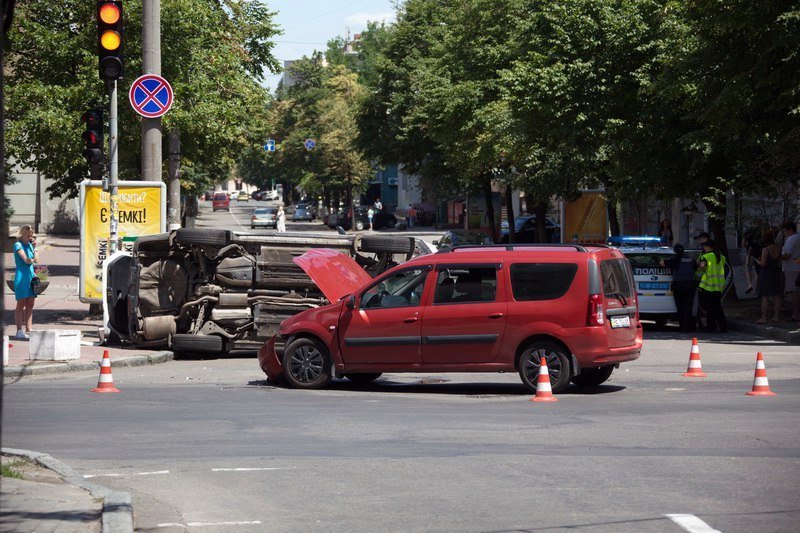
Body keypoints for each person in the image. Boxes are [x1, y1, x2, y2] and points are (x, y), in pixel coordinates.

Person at [661, 244, 697, 332]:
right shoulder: (691, 259)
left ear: (675, 251)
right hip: (690, 285)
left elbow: (662, 263)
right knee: (688, 307)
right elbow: (695, 268)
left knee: (680, 307)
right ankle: (687, 327)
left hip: (678, 285)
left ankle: (682, 326)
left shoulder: (674, 259)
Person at [13, 225, 40, 340]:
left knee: (30, 303)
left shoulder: (30, 245)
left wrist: (35, 248)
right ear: (22, 235)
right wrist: (32, 259)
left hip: (31, 277)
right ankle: (19, 330)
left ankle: (29, 329)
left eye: (30, 236)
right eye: (27, 235)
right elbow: (27, 260)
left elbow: (36, 260)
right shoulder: (18, 245)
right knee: (21, 303)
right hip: (22, 277)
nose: (29, 237)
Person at [697, 239, 727, 332]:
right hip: (718, 286)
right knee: (718, 307)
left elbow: (702, 267)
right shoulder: (721, 257)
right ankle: (723, 327)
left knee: (709, 308)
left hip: (707, 286)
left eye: (705, 247)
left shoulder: (706, 256)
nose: (704, 248)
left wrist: (701, 267)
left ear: (709, 247)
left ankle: (711, 326)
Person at [756, 229, 783, 323]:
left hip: (766, 274)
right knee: (777, 296)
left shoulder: (765, 249)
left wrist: (758, 261)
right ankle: (776, 317)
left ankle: (764, 317)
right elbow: (780, 262)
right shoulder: (779, 248)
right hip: (775, 273)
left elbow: (763, 264)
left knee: (765, 297)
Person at [780, 220, 800, 321]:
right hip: (797, 266)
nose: (784, 233)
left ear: (790, 230)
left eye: (785, 231)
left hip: (791, 268)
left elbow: (787, 255)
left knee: (794, 291)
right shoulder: (799, 236)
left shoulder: (791, 239)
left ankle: (796, 314)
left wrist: (776, 256)